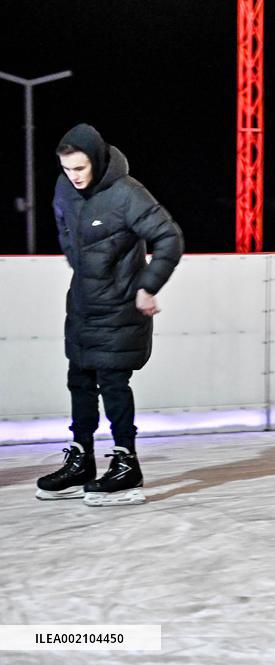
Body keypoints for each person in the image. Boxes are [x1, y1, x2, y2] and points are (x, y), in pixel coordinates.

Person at [35, 123, 183, 506]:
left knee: (112, 382)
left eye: (81, 168)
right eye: (68, 169)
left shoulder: (126, 193)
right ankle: (81, 458)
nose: (75, 177)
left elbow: (169, 237)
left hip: (121, 305)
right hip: (83, 304)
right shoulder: (64, 189)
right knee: (79, 378)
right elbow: (65, 230)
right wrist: (84, 272)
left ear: (98, 161)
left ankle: (125, 462)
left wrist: (148, 285)